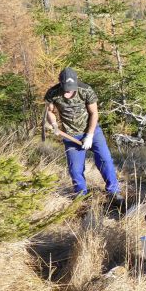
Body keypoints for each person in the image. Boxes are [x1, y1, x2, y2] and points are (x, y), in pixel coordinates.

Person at [44, 67, 122, 201]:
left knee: (105, 160)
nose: (69, 90)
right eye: (66, 87)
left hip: (92, 131)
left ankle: (113, 192)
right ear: (60, 83)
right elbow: (49, 111)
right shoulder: (53, 93)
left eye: (71, 86)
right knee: (75, 169)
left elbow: (94, 113)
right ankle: (81, 197)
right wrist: (55, 125)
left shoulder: (85, 90)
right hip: (70, 135)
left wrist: (90, 135)